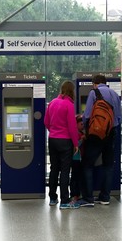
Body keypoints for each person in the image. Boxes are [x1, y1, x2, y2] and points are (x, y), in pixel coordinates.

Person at [82, 74, 122, 205]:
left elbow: (87, 115)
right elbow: (119, 117)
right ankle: (105, 197)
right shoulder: (115, 94)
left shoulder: (94, 93)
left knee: (87, 164)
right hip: (112, 132)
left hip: (96, 133)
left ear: (95, 83)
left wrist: (84, 130)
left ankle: (88, 198)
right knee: (108, 165)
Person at [44, 80, 80, 209]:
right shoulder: (69, 105)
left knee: (54, 169)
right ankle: (65, 200)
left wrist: (54, 131)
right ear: (72, 91)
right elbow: (72, 127)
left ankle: (53, 198)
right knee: (65, 171)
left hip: (52, 139)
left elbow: (46, 122)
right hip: (65, 141)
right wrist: (76, 143)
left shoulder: (52, 103)